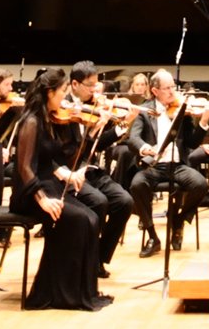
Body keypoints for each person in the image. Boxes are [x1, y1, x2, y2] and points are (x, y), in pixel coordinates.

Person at [11, 66, 111, 311]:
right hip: (30, 192)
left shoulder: (51, 118)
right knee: (78, 219)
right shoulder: (31, 121)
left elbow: (62, 158)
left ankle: (80, 292)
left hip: (50, 184)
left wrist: (89, 135)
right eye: (63, 91)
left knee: (91, 217)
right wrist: (42, 199)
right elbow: (24, 168)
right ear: (49, 92)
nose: (65, 97)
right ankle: (57, 293)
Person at [126, 70, 209, 255]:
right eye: (167, 88)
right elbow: (133, 138)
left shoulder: (181, 110)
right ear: (155, 90)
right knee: (137, 185)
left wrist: (205, 119)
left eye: (173, 87)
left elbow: (192, 143)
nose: (172, 92)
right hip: (153, 166)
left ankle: (178, 221)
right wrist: (145, 148)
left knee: (200, 184)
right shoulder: (145, 111)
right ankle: (153, 236)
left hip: (177, 166)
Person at [63, 62, 135, 273]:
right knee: (100, 203)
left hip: (91, 170)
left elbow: (99, 145)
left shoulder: (93, 106)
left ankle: (98, 257)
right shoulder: (64, 108)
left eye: (97, 85)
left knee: (125, 202)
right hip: (71, 171)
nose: (95, 91)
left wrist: (122, 126)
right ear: (74, 84)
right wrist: (93, 129)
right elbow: (74, 151)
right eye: (90, 85)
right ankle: (86, 260)